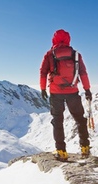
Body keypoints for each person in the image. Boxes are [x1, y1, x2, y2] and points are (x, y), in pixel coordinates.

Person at [40, 29, 92, 161]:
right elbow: (83, 73)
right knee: (80, 119)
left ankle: (61, 151)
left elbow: (43, 72)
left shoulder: (49, 54)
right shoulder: (75, 55)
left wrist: (42, 88)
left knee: (58, 121)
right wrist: (87, 89)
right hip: (73, 92)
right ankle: (85, 148)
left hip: (55, 92)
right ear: (68, 39)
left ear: (54, 40)